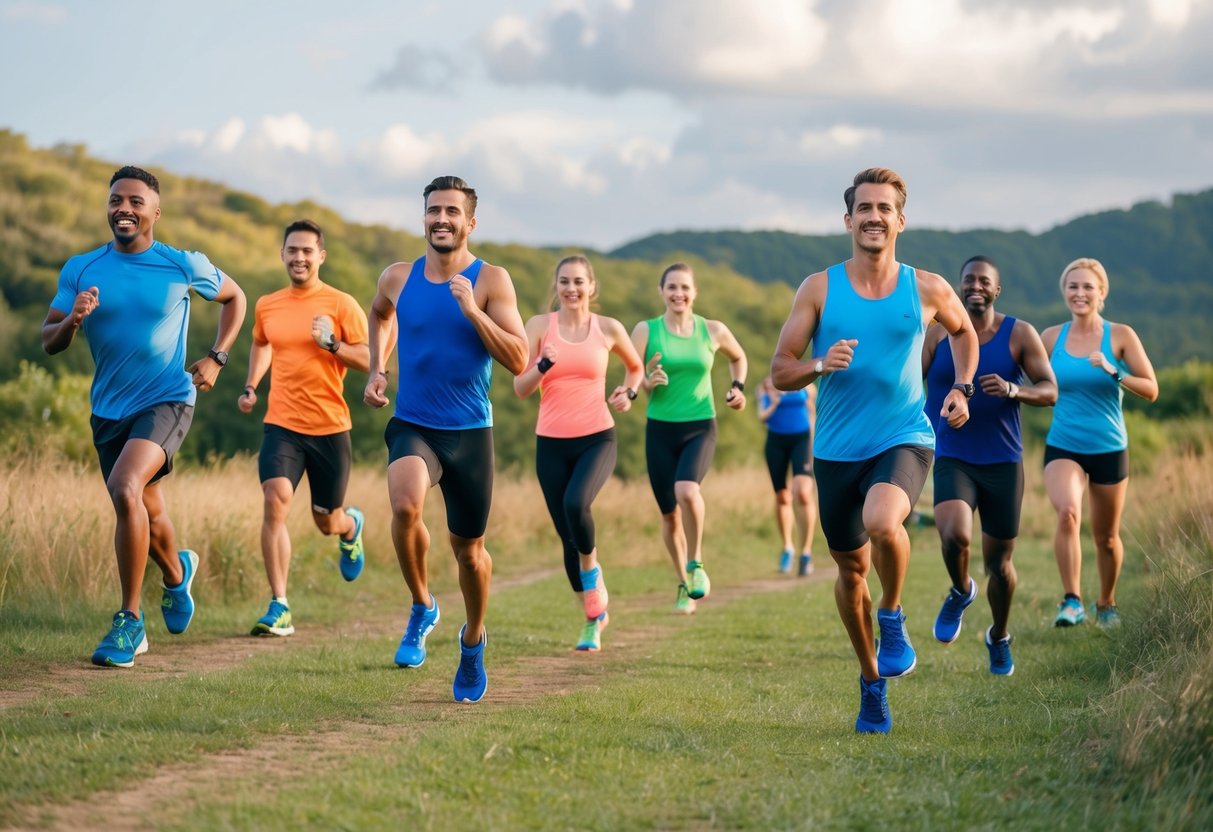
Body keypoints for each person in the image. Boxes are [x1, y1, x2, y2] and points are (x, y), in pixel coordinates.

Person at [770, 167, 978, 734]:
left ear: (900, 220)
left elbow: (964, 332)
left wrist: (960, 388)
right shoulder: (818, 288)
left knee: (883, 522)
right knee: (850, 573)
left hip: (904, 435)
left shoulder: (928, 287)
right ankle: (870, 681)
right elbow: (781, 367)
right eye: (865, 208)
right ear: (848, 220)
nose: (874, 217)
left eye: (884, 208)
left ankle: (893, 614)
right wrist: (818, 364)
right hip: (837, 450)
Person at [41, 165, 246, 667]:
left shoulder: (180, 265)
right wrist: (73, 319)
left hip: (168, 398)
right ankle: (177, 573)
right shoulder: (82, 269)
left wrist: (217, 357)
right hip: (109, 409)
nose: (124, 208)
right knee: (144, 508)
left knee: (125, 488)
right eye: (116, 200)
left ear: (156, 211)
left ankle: (130, 622)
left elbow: (236, 298)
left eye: (135, 201)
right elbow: (49, 341)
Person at [364, 175, 527, 703]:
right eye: (434, 210)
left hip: (471, 434)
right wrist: (376, 368)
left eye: (452, 212)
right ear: (424, 217)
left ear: (470, 222)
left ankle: (473, 640)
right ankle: (421, 604)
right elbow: (379, 314)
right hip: (414, 423)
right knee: (405, 503)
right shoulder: (397, 276)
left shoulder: (491, 280)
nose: (441, 219)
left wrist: (473, 311)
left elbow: (520, 359)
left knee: (469, 552)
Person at [922, 255, 1057, 676]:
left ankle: (998, 635)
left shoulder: (1020, 334)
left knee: (1000, 565)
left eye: (984, 281)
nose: (975, 286)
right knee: (954, 537)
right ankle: (961, 590)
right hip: (952, 452)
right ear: (959, 288)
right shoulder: (938, 331)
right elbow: (909, 381)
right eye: (968, 280)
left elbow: (1050, 390)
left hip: (1002, 460)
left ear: (997, 290)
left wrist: (1015, 390)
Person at [238, 219, 371, 637]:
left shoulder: (341, 303)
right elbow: (262, 342)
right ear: (283, 255)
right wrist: (251, 385)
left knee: (325, 521)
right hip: (282, 424)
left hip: (330, 428)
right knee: (275, 499)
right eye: (292, 250)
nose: (299, 258)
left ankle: (349, 526)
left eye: (307, 251)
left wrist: (333, 344)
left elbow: (370, 360)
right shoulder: (268, 305)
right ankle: (280, 605)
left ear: (321, 257)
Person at [513, 255, 644, 652]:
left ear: (592, 287)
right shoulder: (539, 327)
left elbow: (634, 368)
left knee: (576, 504)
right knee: (567, 538)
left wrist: (628, 393)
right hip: (550, 442)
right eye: (565, 282)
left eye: (579, 282)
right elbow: (520, 388)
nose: (572, 289)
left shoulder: (608, 328)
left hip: (596, 437)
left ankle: (592, 575)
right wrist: (542, 365)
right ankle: (592, 619)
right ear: (557, 285)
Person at [1040, 258, 1157, 629]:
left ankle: (1106, 603)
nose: (1080, 293)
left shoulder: (1121, 335)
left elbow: (1151, 389)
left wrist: (1114, 371)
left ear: (1101, 292)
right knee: (1068, 512)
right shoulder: (1050, 338)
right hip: (1064, 444)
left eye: (1088, 287)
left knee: (1106, 538)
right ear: (1065, 292)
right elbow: (1031, 382)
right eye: (1073, 286)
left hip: (1109, 447)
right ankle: (1071, 600)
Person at [630, 263, 748, 615]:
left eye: (684, 287)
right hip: (660, 429)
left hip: (700, 425)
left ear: (694, 292)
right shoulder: (645, 330)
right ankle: (683, 581)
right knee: (669, 516)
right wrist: (649, 379)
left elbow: (738, 357)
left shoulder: (712, 330)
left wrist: (737, 388)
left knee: (687, 490)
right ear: (661, 291)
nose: (678, 294)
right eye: (671, 288)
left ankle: (696, 562)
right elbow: (634, 378)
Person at [757, 376, 818, 577]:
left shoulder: (807, 386)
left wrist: (818, 440)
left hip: (801, 441)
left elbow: (815, 412)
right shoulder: (766, 387)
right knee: (782, 497)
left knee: (802, 492)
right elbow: (762, 417)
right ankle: (787, 548)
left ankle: (806, 553)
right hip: (775, 443)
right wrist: (774, 402)